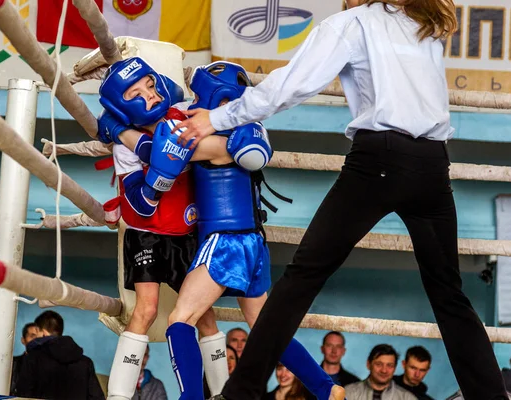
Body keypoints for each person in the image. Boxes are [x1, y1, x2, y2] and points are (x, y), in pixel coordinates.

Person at [174, 0, 510, 399]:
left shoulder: (352, 23)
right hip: (432, 167)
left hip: (380, 162)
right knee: (450, 295)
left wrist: (217, 118)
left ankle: (241, 392)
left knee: (303, 277)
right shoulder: (426, 26)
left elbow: (290, 86)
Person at [99, 58, 342, 400]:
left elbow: (166, 151)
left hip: (225, 242)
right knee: (265, 328)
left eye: (201, 101)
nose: (193, 107)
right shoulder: (235, 133)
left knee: (180, 320)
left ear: (221, 104)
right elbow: (180, 113)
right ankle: (327, 389)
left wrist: (119, 127)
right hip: (253, 242)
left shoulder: (216, 142)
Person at [97, 56, 233, 399]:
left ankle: (222, 393)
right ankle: (118, 396)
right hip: (147, 233)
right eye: (137, 93)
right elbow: (139, 206)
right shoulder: (124, 147)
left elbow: (222, 110)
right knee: (146, 309)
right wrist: (158, 177)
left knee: (203, 315)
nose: (151, 95)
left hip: (186, 233)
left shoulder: (185, 115)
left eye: (151, 86)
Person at [15, 310, 104, 400]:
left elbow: (23, 395)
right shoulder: (86, 362)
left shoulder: (32, 359)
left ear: (43, 332)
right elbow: (96, 397)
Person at [345, 345, 416, 400]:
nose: (384, 370)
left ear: (395, 368)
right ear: (368, 364)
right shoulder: (348, 393)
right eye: (379, 364)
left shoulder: (407, 398)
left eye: (389, 365)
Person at [10, 322, 38, 395]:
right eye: (32, 336)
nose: (37, 341)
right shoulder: (13, 364)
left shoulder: (48, 365)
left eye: (39, 337)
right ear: (23, 340)